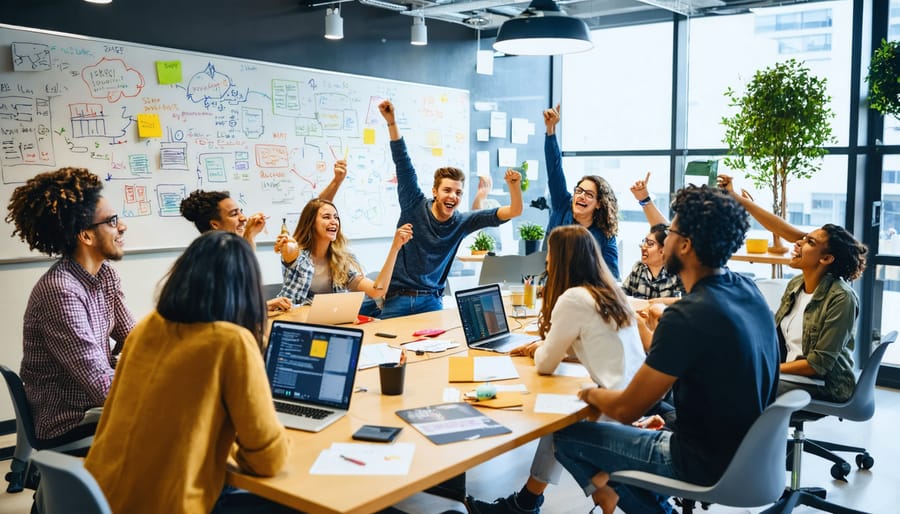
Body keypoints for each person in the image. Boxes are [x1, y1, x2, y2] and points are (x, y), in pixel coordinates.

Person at [552, 185, 779, 514]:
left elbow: (626, 410)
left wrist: (587, 393)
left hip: (702, 461)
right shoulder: (748, 290)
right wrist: (672, 418)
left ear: (684, 245)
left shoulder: (688, 315)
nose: (661, 237)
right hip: (751, 453)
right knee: (626, 444)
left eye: (669, 232)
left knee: (569, 437)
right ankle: (618, 491)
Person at [80, 231, 294, 514]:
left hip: (99, 497)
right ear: (247, 289)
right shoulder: (231, 341)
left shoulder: (147, 327)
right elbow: (268, 461)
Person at [467, 225, 645, 514]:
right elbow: (596, 345)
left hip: (615, 410)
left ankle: (599, 490)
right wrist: (552, 347)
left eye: (549, 253)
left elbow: (546, 365)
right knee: (562, 414)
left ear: (562, 258)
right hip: (636, 401)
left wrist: (542, 349)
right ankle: (527, 502)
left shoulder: (574, 298)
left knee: (559, 422)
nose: (546, 260)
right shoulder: (611, 293)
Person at [6, 167, 135, 442]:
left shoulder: (106, 274)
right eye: (112, 221)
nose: (122, 226)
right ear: (86, 236)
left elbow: (135, 337)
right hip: (69, 420)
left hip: (94, 407)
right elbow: (101, 386)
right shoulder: (60, 291)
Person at [719, 174, 867, 402]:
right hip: (793, 372)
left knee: (737, 389)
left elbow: (818, 365)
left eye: (809, 242)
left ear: (826, 259)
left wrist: (769, 369)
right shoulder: (797, 284)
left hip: (825, 384)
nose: (797, 243)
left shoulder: (841, 298)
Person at [377, 100, 524, 318]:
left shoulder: (462, 222)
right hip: (400, 299)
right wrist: (391, 122)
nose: (453, 196)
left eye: (458, 193)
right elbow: (403, 161)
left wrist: (514, 187)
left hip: (432, 302)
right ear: (435, 191)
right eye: (447, 190)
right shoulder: (413, 204)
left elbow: (514, 211)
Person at [274, 197, 413, 307]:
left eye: (336, 217)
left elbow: (377, 291)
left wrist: (395, 248)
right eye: (327, 217)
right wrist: (287, 244)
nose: (334, 221)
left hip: (329, 324)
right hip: (293, 321)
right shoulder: (299, 256)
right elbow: (290, 251)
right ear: (311, 223)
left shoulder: (341, 260)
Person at [543, 105, 619, 278]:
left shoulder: (605, 237)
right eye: (579, 191)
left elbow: (613, 278)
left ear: (599, 203)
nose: (581, 196)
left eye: (589, 194)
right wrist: (550, 131)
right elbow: (554, 170)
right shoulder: (563, 205)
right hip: (550, 283)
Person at [620, 223, 684, 303]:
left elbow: (684, 303)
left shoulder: (676, 274)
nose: (643, 247)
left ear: (663, 250)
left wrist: (657, 302)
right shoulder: (638, 268)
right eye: (644, 242)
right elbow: (622, 294)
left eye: (650, 244)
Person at [472, 175, 503, 251]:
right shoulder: (477, 203)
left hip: (493, 248)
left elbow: (478, 213)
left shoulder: (493, 204)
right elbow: (476, 212)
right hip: (482, 248)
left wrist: (482, 191)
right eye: (480, 183)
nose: (480, 185)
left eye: (483, 183)